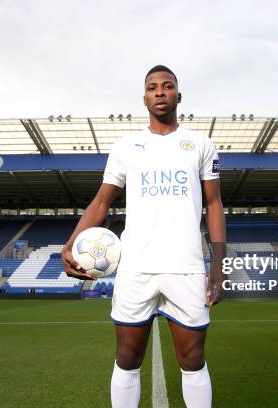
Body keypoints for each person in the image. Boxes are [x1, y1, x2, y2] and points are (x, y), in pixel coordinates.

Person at [62, 65, 226, 408]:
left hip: (186, 266)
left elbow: (213, 203)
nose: (161, 92)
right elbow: (102, 201)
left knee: (193, 359)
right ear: (144, 98)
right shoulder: (126, 146)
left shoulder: (200, 144)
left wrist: (218, 266)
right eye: (153, 88)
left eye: (167, 86)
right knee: (127, 355)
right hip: (136, 265)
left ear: (178, 96)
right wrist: (71, 242)